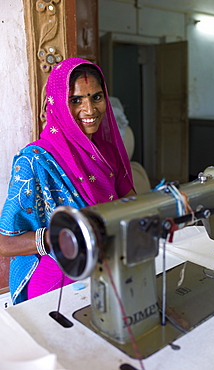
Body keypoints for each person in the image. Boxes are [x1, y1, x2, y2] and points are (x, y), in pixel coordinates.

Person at [0, 58, 135, 304]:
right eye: (75, 100)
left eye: (96, 97)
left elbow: (129, 207)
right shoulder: (35, 161)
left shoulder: (108, 152)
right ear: (57, 104)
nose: (90, 110)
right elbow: (5, 244)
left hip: (104, 260)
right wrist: (64, 236)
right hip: (58, 276)